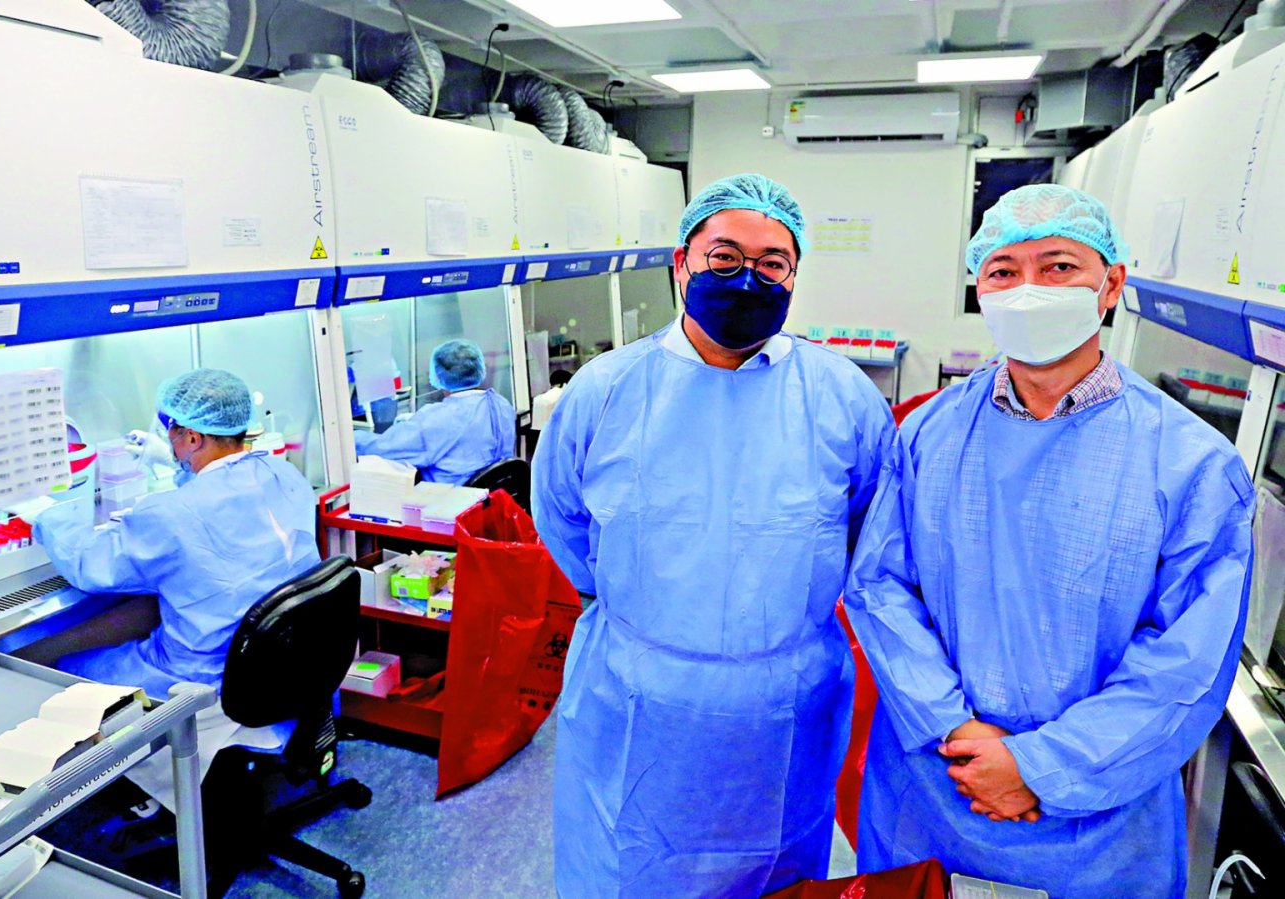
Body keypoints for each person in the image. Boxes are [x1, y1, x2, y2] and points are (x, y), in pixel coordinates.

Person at [844, 184, 1253, 898]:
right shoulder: (928, 434)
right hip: (936, 791)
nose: (1029, 289)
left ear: (1110, 285)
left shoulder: (1191, 463)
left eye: (1059, 266)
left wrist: (1041, 768)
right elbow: (880, 588)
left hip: (1098, 826)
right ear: (980, 288)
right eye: (1004, 271)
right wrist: (953, 728)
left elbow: (1186, 662)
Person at [531, 173, 895, 897]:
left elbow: (870, 534)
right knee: (631, 870)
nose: (747, 278)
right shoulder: (605, 391)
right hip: (639, 698)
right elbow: (563, 521)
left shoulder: (843, 397)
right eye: (724, 258)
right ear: (682, 264)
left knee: (776, 872)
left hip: (783, 708)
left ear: (794, 275)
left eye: (772, 262)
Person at [12, 368, 320, 807]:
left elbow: (90, 566)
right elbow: (222, 497)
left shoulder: (171, 515)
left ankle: (101, 798)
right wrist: (174, 463)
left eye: (170, 429)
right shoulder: (282, 474)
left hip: (200, 680)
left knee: (65, 668)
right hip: (280, 666)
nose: (168, 437)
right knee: (139, 615)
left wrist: (45, 514)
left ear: (192, 437)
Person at [354, 338, 515, 485]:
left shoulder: (436, 419)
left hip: (452, 501)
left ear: (437, 376)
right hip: (496, 497)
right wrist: (416, 423)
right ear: (481, 369)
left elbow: (383, 448)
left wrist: (351, 436)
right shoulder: (500, 403)